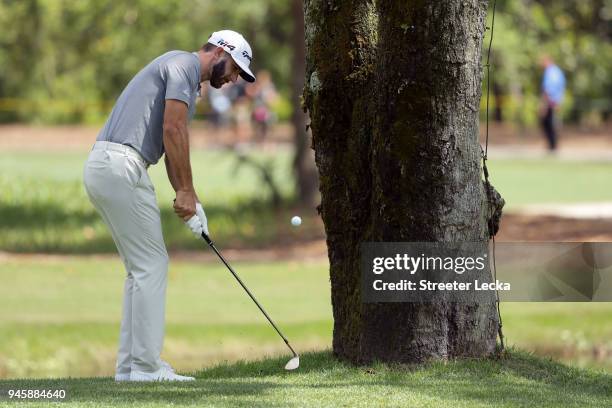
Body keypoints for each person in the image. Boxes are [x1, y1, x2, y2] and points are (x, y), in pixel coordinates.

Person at [83, 30, 256, 382]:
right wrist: (187, 192)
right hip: (120, 165)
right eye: (236, 68)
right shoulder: (183, 65)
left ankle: (130, 368)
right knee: (151, 265)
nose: (234, 78)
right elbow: (173, 129)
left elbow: (171, 138)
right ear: (221, 51)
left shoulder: (182, 72)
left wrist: (189, 197)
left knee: (140, 269)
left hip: (109, 166)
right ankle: (145, 368)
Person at [539, 55, 566, 151]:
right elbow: (562, 87)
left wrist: (543, 104)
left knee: (548, 123)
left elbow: (547, 89)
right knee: (553, 123)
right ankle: (553, 145)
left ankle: (552, 145)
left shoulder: (550, 72)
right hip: (556, 101)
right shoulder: (558, 71)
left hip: (550, 101)